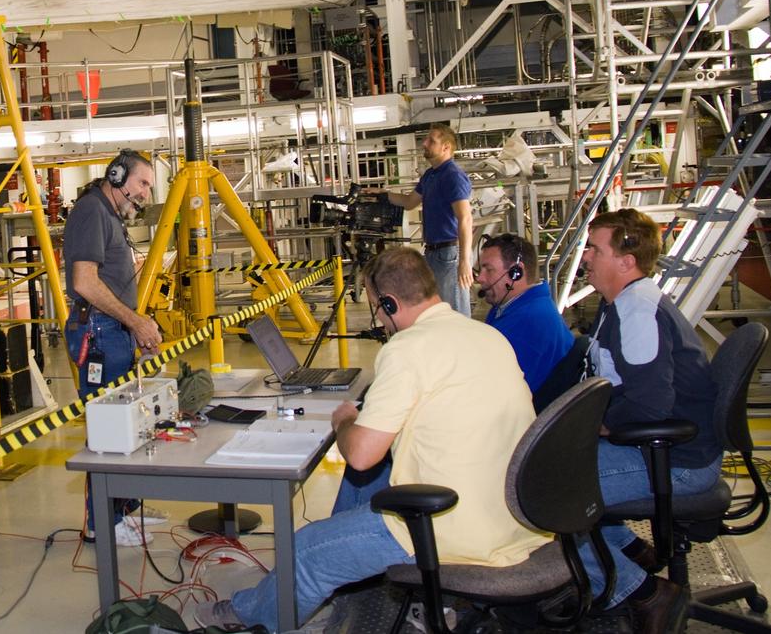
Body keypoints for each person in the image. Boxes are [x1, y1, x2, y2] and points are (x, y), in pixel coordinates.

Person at [197, 247, 547, 632]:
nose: (378, 319)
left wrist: (347, 420)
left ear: (390, 303)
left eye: (376, 308)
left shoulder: (407, 348)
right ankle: (346, 560)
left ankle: (252, 616)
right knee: (366, 483)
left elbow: (363, 454)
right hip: (516, 510)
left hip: (452, 526)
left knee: (305, 550)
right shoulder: (485, 335)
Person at [576, 208, 721, 634]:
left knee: (543, 493)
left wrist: (599, 427)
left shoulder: (637, 312)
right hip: (662, 449)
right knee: (556, 466)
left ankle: (645, 594)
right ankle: (629, 551)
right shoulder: (622, 302)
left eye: (594, 249)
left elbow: (651, 405)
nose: (585, 256)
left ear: (626, 261)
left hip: (677, 461)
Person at [63, 149, 166, 547]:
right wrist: (134, 321)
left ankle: (125, 508)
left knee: (129, 424)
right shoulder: (91, 211)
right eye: (141, 183)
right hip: (100, 335)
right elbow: (85, 282)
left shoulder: (109, 216)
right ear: (117, 174)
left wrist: (133, 329)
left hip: (115, 333)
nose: (144, 194)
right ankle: (101, 522)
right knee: (107, 429)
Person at [381, 123, 473, 315]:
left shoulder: (452, 176)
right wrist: (382, 194)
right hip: (433, 253)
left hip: (449, 254)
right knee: (439, 311)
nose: (424, 143)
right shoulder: (431, 175)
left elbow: (465, 218)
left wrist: (464, 261)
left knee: (454, 313)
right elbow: (409, 202)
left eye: (432, 140)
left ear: (446, 147)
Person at [476, 233, 574, 394]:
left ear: (517, 272)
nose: (480, 278)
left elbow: (492, 392)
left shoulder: (526, 323)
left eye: (489, 269)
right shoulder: (511, 308)